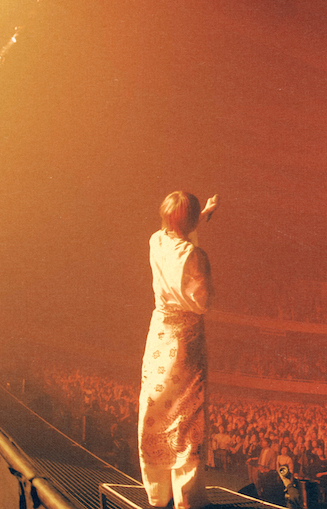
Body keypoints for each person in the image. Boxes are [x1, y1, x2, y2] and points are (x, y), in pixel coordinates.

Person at [138, 190, 218, 509]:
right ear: (190, 219)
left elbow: (175, 236)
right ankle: (187, 499)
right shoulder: (196, 257)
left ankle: (158, 496)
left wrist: (200, 218)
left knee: (156, 410)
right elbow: (203, 302)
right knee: (186, 415)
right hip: (185, 339)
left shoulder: (156, 240)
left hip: (159, 334)